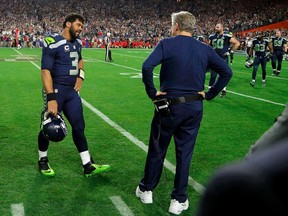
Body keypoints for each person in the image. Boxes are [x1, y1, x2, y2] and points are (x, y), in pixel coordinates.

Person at [135, 11, 232, 215]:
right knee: (184, 153)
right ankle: (178, 200)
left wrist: (153, 93)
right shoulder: (204, 49)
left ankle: (146, 190)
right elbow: (226, 72)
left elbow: (146, 67)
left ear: (177, 26)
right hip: (194, 106)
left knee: (158, 148)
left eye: (172, 24)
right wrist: (210, 94)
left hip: (168, 106)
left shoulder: (166, 44)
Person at [38, 13, 110, 177]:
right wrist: (51, 98)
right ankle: (42, 160)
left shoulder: (78, 43)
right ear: (68, 24)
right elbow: (45, 71)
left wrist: (81, 76)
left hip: (71, 92)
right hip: (56, 90)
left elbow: (80, 60)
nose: (80, 29)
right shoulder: (53, 42)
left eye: (82, 27)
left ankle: (87, 164)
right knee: (49, 125)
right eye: (78, 25)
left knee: (79, 127)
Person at [208, 23, 239, 97]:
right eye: (215, 27)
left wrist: (230, 52)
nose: (216, 28)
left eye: (218, 27)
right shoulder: (212, 36)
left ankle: (224, 89)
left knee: (223, 75)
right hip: (214, 58)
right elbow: (209, 46)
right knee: (213, 75)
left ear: (222, 28)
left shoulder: (226, 36)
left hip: (223, 58)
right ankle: (210, 90)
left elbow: (237, 43)